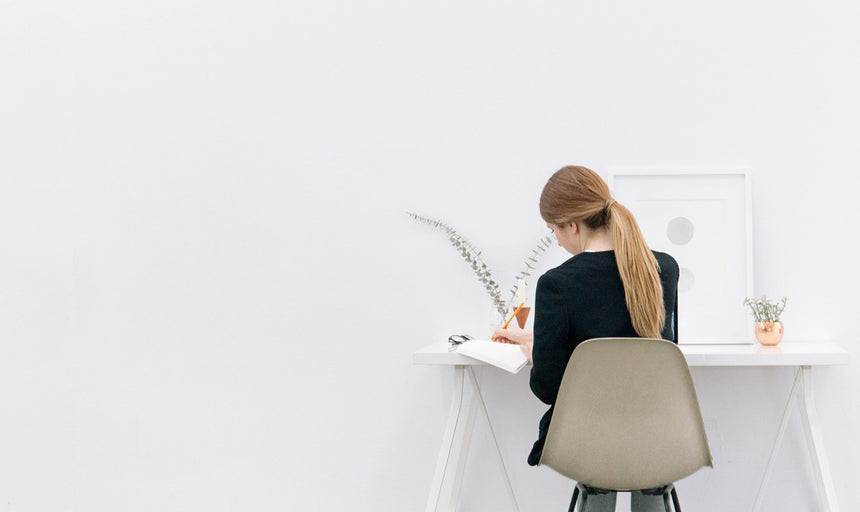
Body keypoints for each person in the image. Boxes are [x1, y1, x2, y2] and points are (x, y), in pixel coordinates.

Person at [493, 165, 679, 512]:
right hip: (660, 437)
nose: (558, 241)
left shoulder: (557, 285)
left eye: (554, 232)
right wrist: (543, 337)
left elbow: (548, 389)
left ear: (573, 225)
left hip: (588, 443)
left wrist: (538, 352)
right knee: (642, 447)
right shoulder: (663, 269)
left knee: (601, 442)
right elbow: (661, 356)